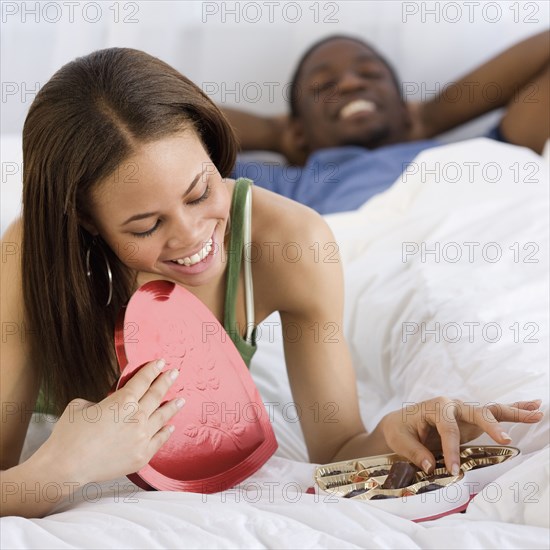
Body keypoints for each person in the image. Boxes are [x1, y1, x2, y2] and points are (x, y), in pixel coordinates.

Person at [0, 48, 542, 518]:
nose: (192, 237)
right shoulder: (35, 256)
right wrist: (65, 466)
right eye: (146, 226)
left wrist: (405, 431)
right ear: (86, 221)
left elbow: (337, 451)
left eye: (198, 192)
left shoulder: (292, 243)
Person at [225, 30, 549, 214]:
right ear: (299, 131)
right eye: (323, 86)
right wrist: (277, 135)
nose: (351, 84)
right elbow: (177, 117)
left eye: (370, 74)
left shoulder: (481, 155)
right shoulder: (282, 190)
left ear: (406, 108)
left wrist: (431, 117)